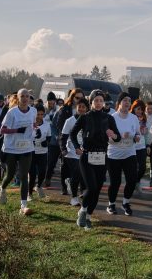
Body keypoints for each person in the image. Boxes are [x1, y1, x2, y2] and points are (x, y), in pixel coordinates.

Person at [71, 90, 120, 230]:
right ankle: (83, 210)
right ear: (91, 102)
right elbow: (72, 133)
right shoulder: (85, 117)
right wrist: (76, 147)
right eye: (96, 100)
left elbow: (118, 137)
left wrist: (114, 135)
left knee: (97, 190)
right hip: (87, 156)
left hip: (102, 157)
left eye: (100, 101)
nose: (98, 103)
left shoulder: (109, 118)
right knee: (91, 187)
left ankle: (87, 217)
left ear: (103, 103)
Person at [0, 89, 38, 215]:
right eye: (23, 96)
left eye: (28, 96)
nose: (25, 99)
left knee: (23, 175)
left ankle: (23, 205)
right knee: (10, 175)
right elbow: (2, 131)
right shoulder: (12, 112)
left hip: (27, 147)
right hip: (11, 148)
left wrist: (36, 129)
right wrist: (16, 130)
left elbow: (33, 125)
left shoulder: (33, 110)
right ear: (18, 98)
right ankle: (2, 188)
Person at [106, 93, 140, 216]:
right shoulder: (112, 117)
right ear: (119, 102)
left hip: (130, 153)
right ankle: (111, 204)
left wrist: (136, 137)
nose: (127, 103)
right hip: (114, 154)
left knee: (132, 179)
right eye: (125, 100)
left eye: (129, 101)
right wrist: (119, 138)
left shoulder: (133, 118)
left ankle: (125, 202)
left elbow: (138, 134)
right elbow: (108, 138)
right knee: (115, 182)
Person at [60, 97, 88, 207]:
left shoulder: (88, 119)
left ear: (87, 108)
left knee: (83, 175)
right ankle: (74, 198)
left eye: (83, 107)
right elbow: (63, 137)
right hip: (72, 152)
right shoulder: (70, 121)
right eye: (79, 107)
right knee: (77, 173)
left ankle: (70, 182)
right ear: (75, 108)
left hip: (84, 152)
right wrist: (64, 150)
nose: (81, 109)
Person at [28, 104, 51, 200]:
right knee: (32, 174)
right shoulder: (30, 124)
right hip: (31, 151)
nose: (39, 116)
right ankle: (29, 194)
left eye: (41, 114)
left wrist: (47, 142)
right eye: (38, 114)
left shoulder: (46, 124)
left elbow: (49, 136)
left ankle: (38, 186)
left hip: (42, 152)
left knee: (42, 172)